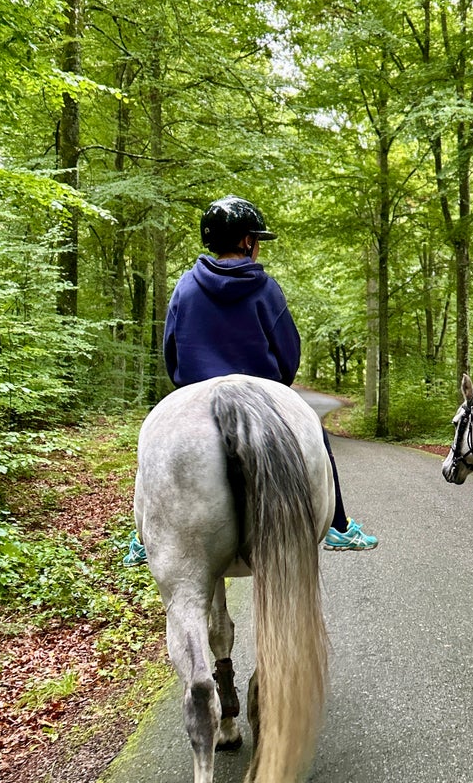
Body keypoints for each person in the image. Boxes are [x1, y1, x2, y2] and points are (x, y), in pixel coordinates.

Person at [126, 195, 377, 560]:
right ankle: (338, 526)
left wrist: (189, 384)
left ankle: (142, 535)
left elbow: (171, 352)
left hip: (196, 392)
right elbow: (288, 355)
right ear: (247, 241)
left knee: (156, 439)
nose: (258, 245)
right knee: (316, 436)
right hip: (263, 394)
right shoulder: (266, 289)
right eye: (257, 238)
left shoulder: (185, 287)